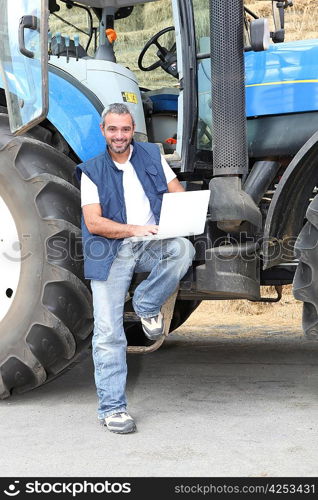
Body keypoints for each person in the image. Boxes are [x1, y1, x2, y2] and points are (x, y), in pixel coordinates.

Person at [76, 102, 195, 434]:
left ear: (133, 131)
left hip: (148, 246)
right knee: (109, 333)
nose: (119, 135)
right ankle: (113, 409)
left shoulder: (151, 156)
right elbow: (94, 222)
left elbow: (178, 194)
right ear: (104, 131)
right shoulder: (91, 171)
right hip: (110, 251)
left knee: (182, 248)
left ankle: (146, 304)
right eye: (112, 129)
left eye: (125, 129)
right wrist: (133, 229)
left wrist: (182, 215)